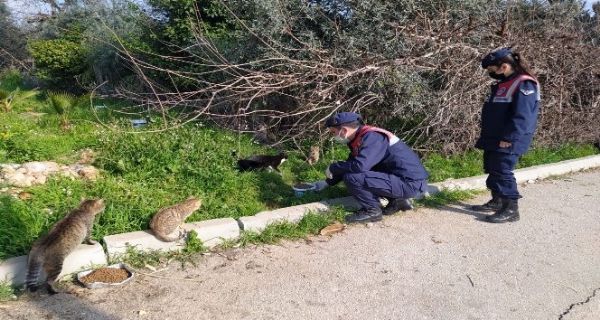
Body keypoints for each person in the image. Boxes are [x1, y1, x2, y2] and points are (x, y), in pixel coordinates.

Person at [310, 112, 429, 223]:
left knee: (352, 177)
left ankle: (372, 211)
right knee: (354, 171)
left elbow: (359, 166)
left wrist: (334, 167)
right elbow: (352, 163)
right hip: (403, 180)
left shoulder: (372, 137)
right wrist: (327, 182)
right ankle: (398, 201)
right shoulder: (362, 137)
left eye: (333, 132)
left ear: (344, 130)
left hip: (409, 184)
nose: (333, 136)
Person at [470, 47, 541, 223]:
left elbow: (522, 116)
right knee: (493, 168)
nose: (491, 73)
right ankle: (498, 200)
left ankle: (511, 209)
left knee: (503, 171)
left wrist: (508, 138)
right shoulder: (505, 83)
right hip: (494, 137)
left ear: (504, 66)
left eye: (492, 70)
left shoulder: (524, 83)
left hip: (508, 139)